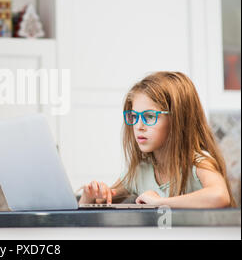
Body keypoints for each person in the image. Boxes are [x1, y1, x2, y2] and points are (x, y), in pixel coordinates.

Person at [79, 71, 236, 208]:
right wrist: (90, 196)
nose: (138, 126)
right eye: (134, 116)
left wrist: (161, 202)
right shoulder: (139, 173)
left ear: (178, 119)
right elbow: (96, 205)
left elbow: (219, 196)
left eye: (149, 116)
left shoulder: (198, 163)